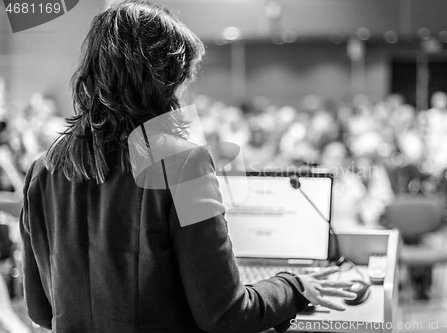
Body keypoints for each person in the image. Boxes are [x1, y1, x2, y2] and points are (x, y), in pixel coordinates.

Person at [20, 1, 356, 332]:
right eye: (183, 79)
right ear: (163, 82)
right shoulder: (184, 164)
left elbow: (39, 309)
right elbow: (226, 315)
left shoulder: (42, 170)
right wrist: (294, 286)